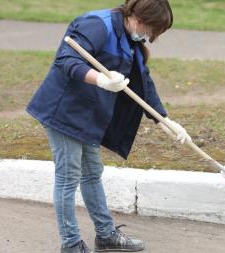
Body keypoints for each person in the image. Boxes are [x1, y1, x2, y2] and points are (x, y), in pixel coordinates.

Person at [26, 0, 191, 252]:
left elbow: (142, 82)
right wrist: (100, 79)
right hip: (64, 111)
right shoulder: (97, 24)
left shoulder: (129, 37)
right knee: (68, 177)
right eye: (151, 30)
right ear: (139, 18)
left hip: (88, 115)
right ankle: (70, 244)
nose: (149, 37)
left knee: (92, 173)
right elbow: (67, 59)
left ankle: (105, 235)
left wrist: (165, 121)